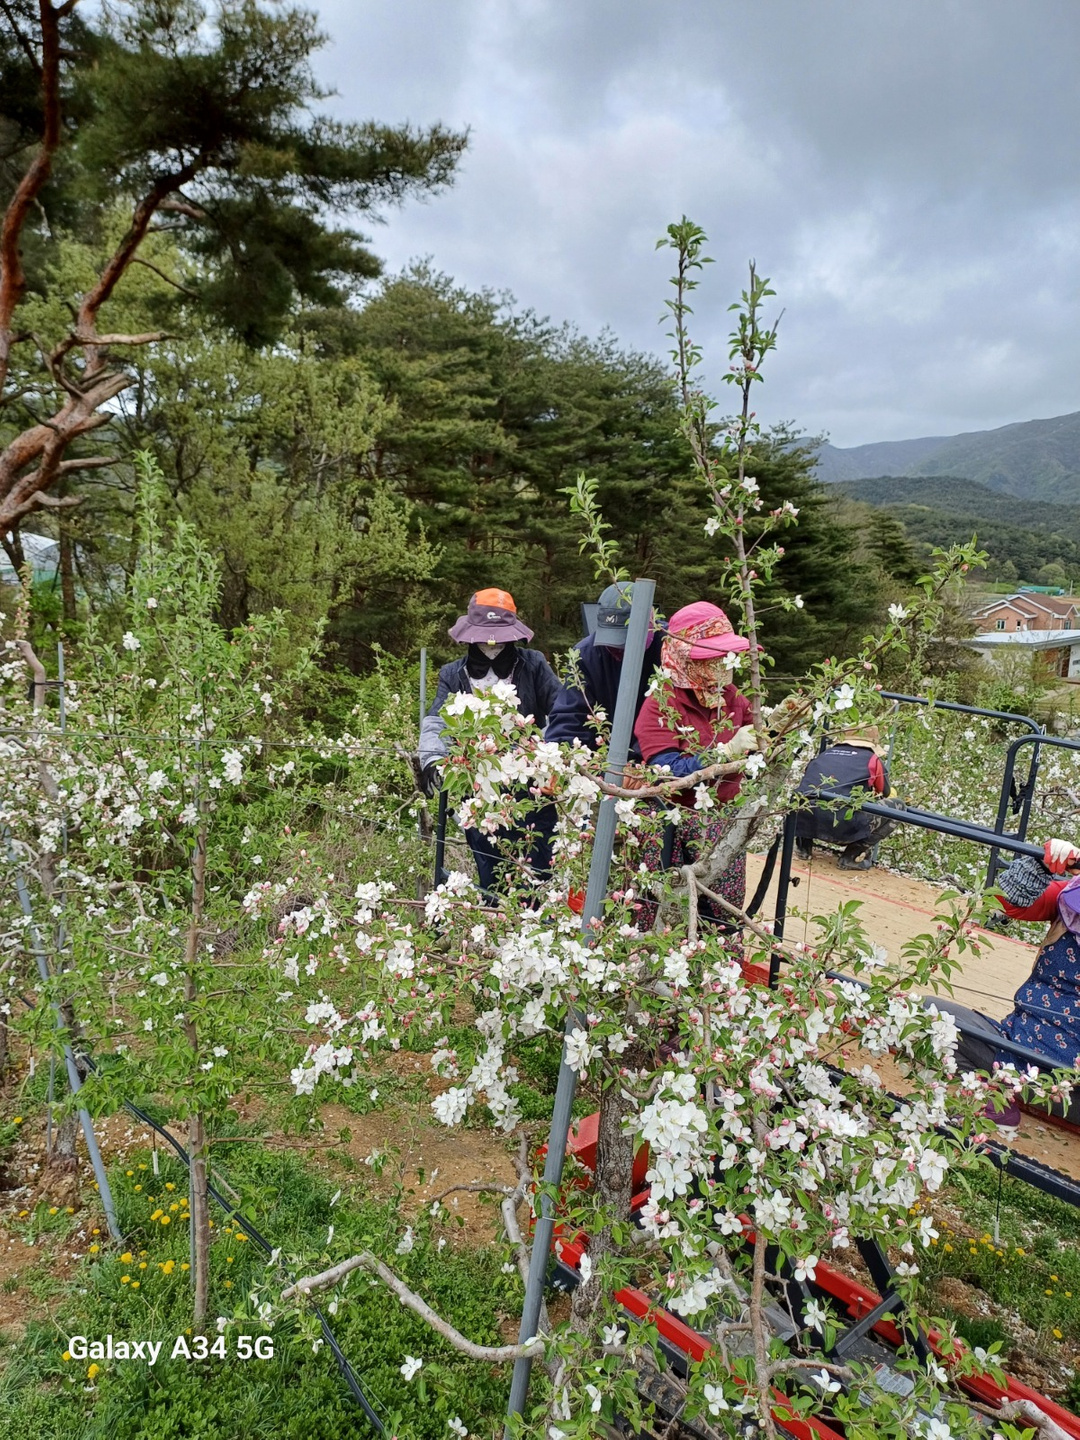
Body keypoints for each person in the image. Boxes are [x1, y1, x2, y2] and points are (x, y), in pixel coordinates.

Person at [418, 588, 560, 900]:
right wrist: (431, 761)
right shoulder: (453, 674)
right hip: (477, 789)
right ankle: (497, 926)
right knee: (490, 868)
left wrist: (552, 757)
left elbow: (562, 712)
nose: (491, 644)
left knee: (537, 866)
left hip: (530, 787)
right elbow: (436, 722)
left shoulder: (534, 665)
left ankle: (537, 928)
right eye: (483, 638)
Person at [632, 601, 758, 930]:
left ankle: (718, 979)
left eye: (726, 659)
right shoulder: (662, 703)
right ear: (688, 658)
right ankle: (652, 975)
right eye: (713, 659)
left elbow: (757, 739)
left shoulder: (733, 699)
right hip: (672, 822)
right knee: (666, 910)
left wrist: (773, 729)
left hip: (723, 821)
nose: (724, 668)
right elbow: (666, 769)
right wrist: (724, 752)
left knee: (723, 913)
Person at [946, 837, 1080, 1127]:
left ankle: (998, 1093)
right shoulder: (1069, 898)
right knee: (931, 1018)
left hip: (1069, 1086)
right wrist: (1040, 864)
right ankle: (997, 1098)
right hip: (1017, 1048)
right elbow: (1005, 903)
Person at [545, 581, 665, 752]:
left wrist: (639, 762)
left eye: (624, 642)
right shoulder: (585, 654)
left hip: (658, 758)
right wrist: (567, 754)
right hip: (601, 758)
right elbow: (570, 716)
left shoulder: (670, 649)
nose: (617, 649)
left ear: (650, 624)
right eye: (612, 640)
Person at [794, 726, 902, 870]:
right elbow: (886, 792)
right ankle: (852, 856)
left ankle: (803, 848)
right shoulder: (872, 760)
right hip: (843, 825)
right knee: (899, 807)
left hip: (804, 820)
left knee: (810, 796)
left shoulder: (824, 754)